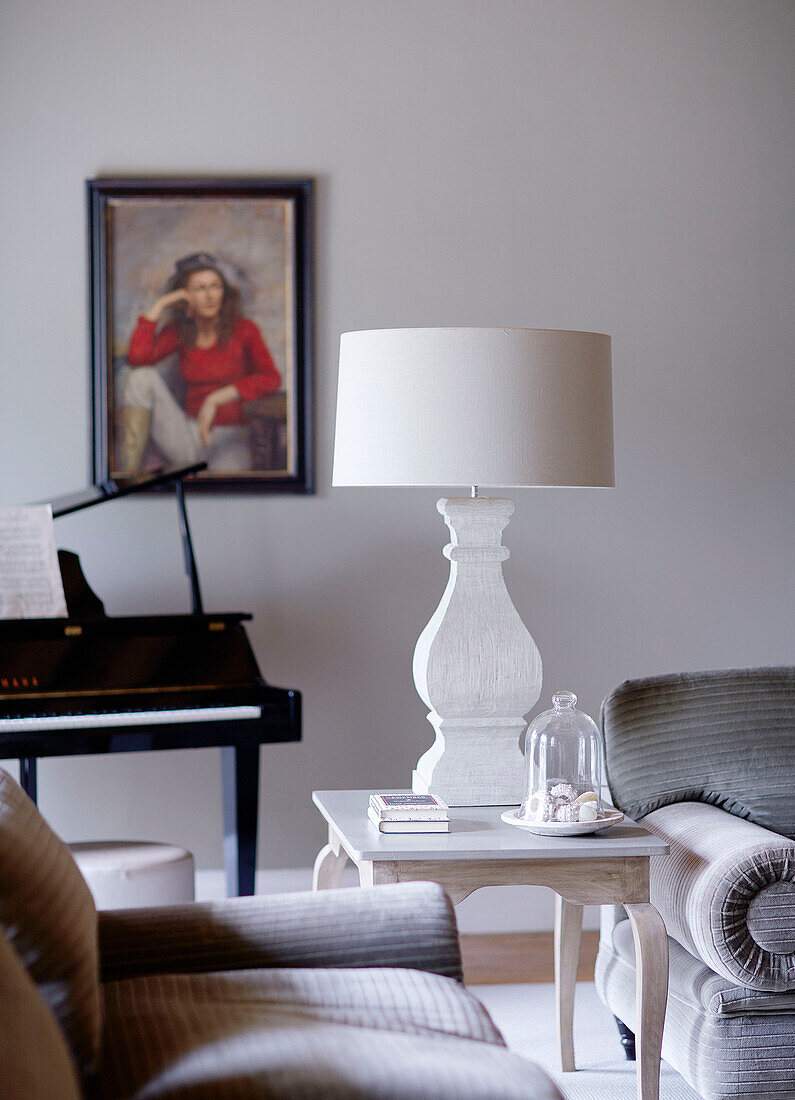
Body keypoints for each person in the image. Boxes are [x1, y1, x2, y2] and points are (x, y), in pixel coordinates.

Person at [119, 252, 282, 473]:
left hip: (231, 435)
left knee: (223, 487)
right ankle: (126, 477)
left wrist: (217, 398)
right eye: (199, 288)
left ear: (224, 292)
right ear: (185, 295)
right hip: (188, 434)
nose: (209, 296)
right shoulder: (179, 332)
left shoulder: (244, 329)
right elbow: (137, 359)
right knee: (139, 378)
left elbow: (271, 378)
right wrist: (161, 304)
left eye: (215, 286)